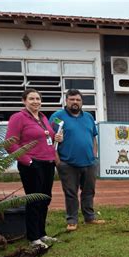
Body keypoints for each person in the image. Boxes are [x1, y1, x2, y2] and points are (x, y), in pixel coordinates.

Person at [5, 89, 63, 248]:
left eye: (38, 98)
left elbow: (46, 136)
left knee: (45, 199)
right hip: (32, 165)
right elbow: (10, 144)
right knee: (34, 200)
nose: (35, 101)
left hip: (48, 163)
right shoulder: (18, 117)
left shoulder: (43, 117)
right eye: (31, 99)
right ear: (24, 101)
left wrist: (56, 137)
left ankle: (42, 233)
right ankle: (33, 237)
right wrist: (28, 161)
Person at [49, 89, 105, 231]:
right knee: (71, 193)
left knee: (88, 191)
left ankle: (89, 217)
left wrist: (94, 156)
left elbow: (93, 137)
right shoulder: (57, 117)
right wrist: (58, 162)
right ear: (66, 101)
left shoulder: (88, 117)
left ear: (81, 102)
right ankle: (72, 220)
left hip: (89, 163)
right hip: (67, 164)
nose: (75, 102)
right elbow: (49, 139)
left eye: (78, 100)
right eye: (72, 99)